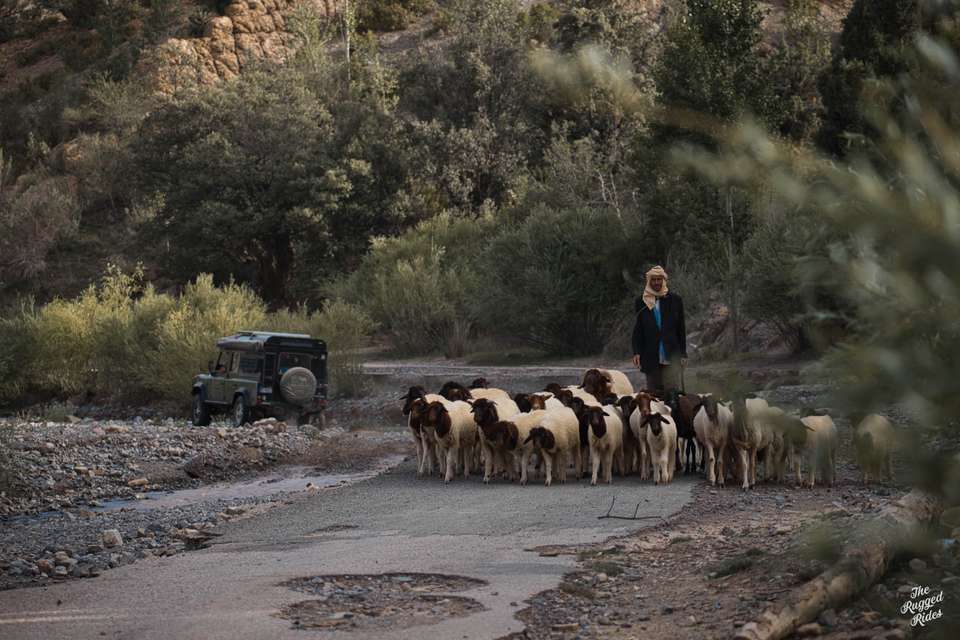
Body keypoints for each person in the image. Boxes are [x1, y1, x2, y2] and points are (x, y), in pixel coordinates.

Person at [631, 265, 687, 394]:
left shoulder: (675, 300)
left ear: (664, 280)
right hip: (650, 355)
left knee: (672, 394)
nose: (656, 282)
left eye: (659, 279)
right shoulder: (641, 301)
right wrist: (636, 351)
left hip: (671, 353)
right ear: (649, 281)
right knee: (653, 395)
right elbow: (638, 329)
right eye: (653, 279)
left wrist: (683, 353)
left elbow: (681, 329)